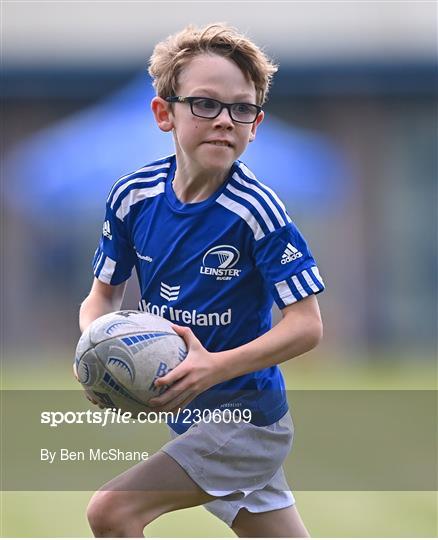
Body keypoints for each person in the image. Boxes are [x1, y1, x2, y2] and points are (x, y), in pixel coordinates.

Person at [79, 23, 325, 538]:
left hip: (245, 421)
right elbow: (103, 297)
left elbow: (306, 327)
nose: (225, 121)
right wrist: (96, 354)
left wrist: (212, 368)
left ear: (255, 124)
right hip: (196, 418)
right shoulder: (132, 197)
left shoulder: (256, 211)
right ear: (164, 113)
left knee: (112, 511)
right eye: (206, 104)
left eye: (242, 109)